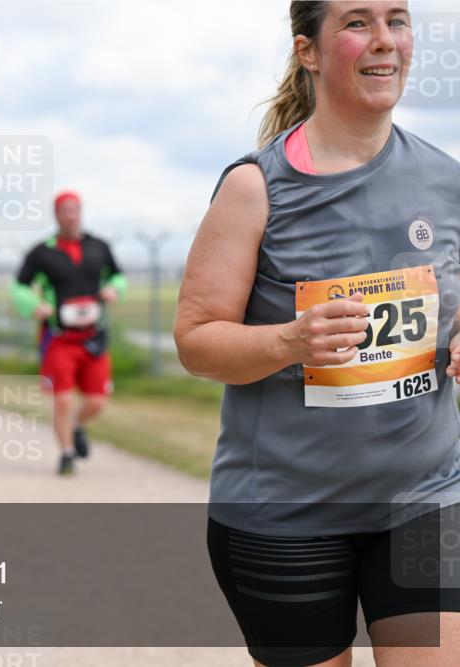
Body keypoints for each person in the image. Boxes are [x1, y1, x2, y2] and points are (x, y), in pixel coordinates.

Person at [174, 2, 460, 666]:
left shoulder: (447, 181)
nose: (385, 41)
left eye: (398, 20)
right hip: (285, 516)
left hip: (423, 499)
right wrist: (289, 341)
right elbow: (195, 339)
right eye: (358, 22)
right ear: (307, 51)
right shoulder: (256, 187)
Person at [11, 190, 127, 475]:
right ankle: (66, 454)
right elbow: (19, 286)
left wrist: (115, 289)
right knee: (62, 399)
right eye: (64, 210)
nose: (70, 215)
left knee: (97, 401)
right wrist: (34, 305)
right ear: (56, 214)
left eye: (74, 209)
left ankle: (75, 427)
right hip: (58, 339)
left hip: (93, 337)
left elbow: (118, 275)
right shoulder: (42, 252)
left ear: (80, 211)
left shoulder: (99, 246)